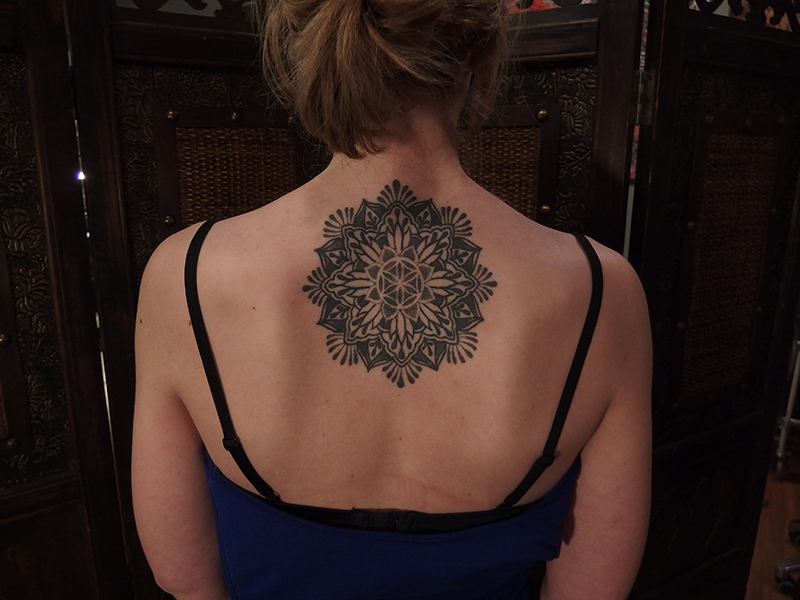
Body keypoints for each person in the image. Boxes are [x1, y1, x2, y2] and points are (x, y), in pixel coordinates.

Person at [131, 0, 652, 598]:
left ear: (305, 43)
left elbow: (184, 578)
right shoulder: (602, 292)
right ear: (477, 53)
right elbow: (593, 590)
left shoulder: (187, 276)